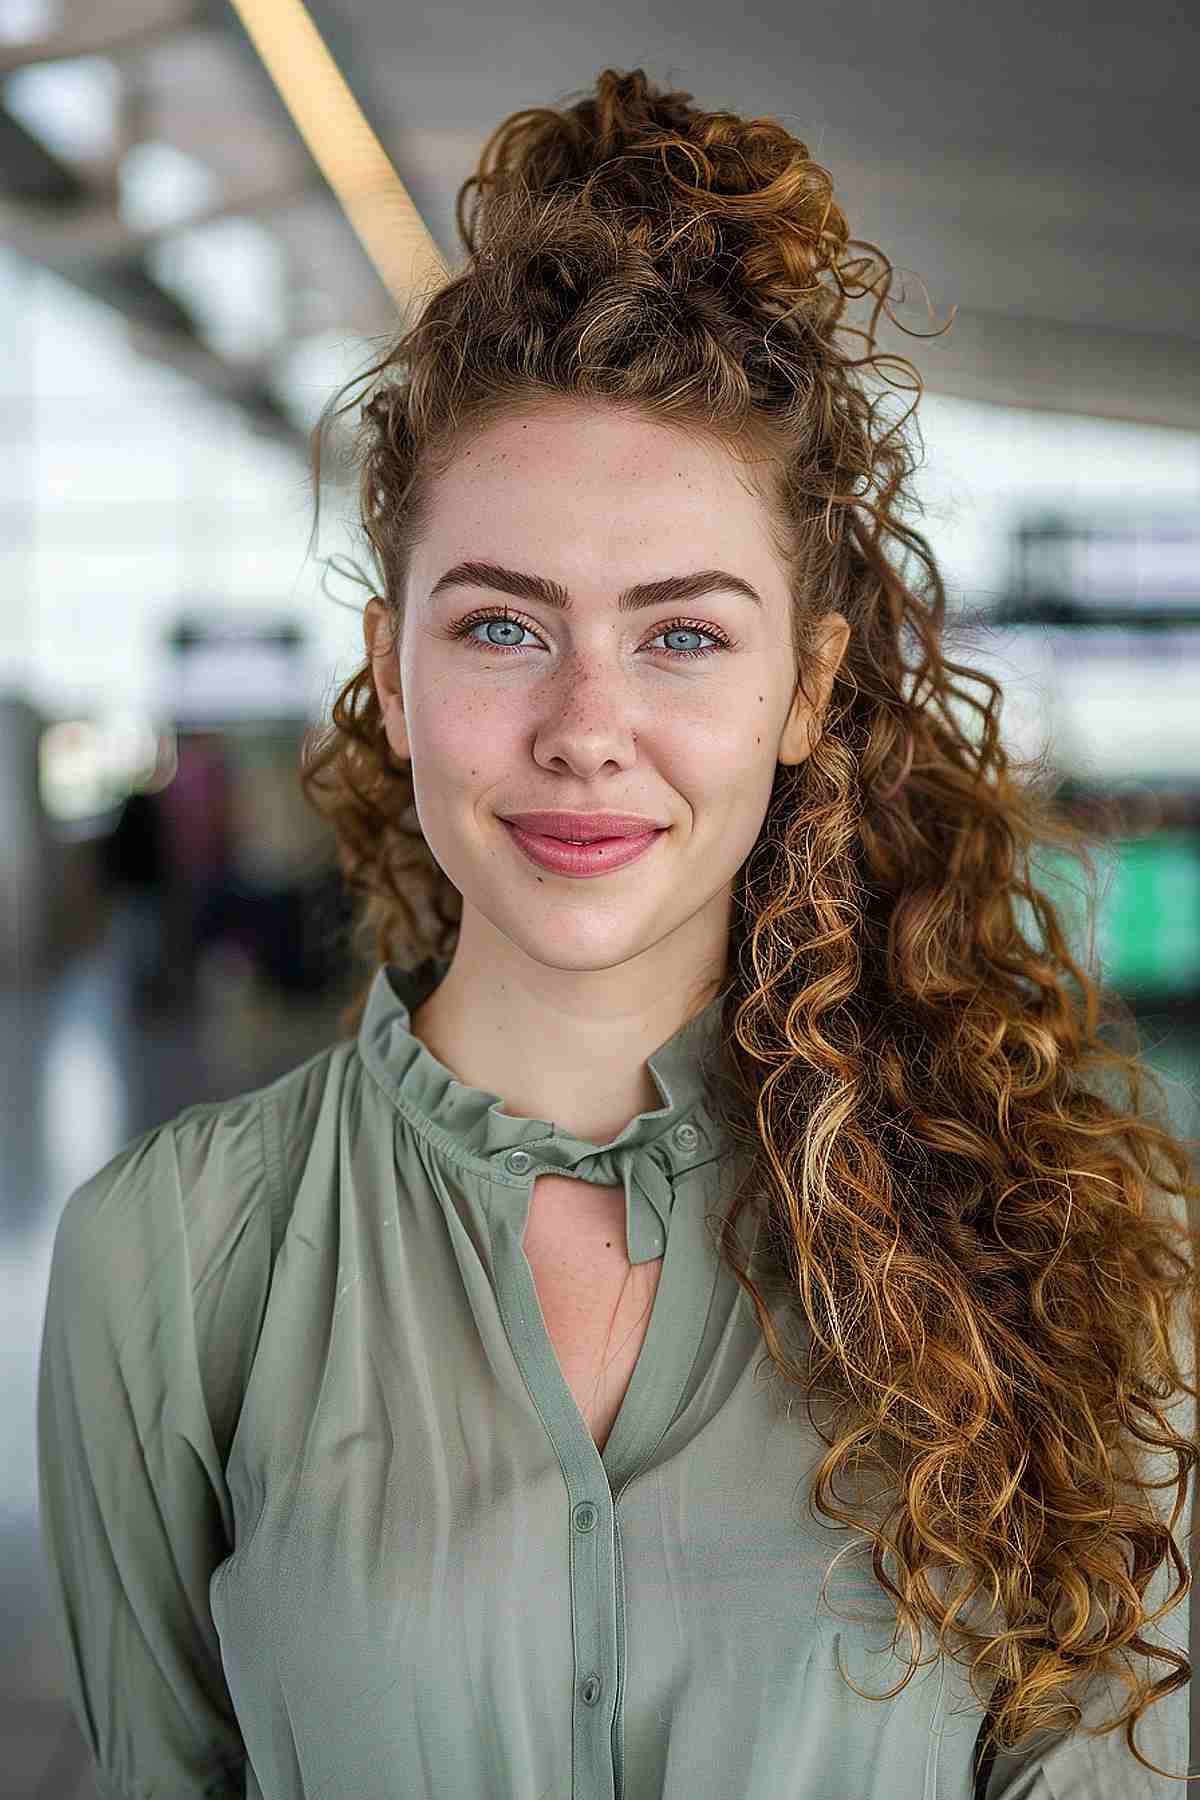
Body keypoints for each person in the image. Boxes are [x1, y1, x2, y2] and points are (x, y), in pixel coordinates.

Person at [37, 66, 1197, 1800]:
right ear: (391, 676)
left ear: (805, 690)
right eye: (504, 627)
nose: (587, 725)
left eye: (682, 638)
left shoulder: (1071, 1248)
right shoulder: (179, 1259)